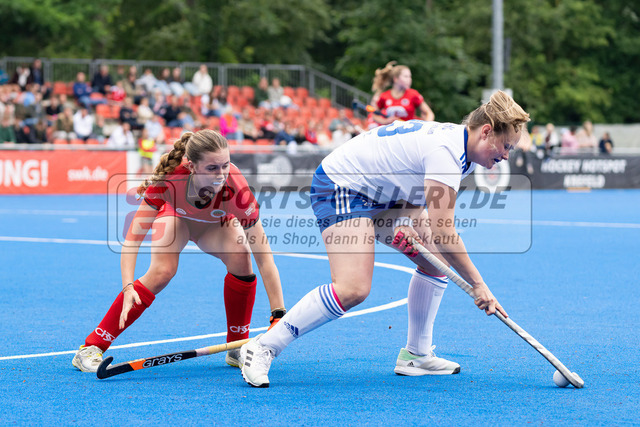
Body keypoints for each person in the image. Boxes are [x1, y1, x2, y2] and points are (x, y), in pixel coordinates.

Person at [239, 90, 529, 388]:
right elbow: (444, 232)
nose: (506, 155)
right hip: (342, 185)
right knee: (353, 288)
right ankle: (263, 347)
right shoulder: (447, 151)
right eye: (506, 146)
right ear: (486, 132)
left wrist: (403, 220)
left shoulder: (463, 150)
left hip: (380, 195)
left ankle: (416, 355)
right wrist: (478, 284)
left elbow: (412, 183)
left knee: (435, 261)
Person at [72, 129, 287, 372]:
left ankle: (236, 347)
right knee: (162, 271)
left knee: (242, 258)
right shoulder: (171, 178)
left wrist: (278, 314)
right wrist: (128, 286)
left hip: (215, 225)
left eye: (225, 165)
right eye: (212, 168)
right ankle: (92, 347)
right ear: (192, 166)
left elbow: (264, 259)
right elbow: (133, 239)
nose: (221, 175)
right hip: (176, 218)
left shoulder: (237, 190)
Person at [372, 61, 435, 125]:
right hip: (392, 131)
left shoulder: (413, 94)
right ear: (396, 79)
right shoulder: (384, 96)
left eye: (410, 77)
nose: (409, 79)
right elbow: (375, 115)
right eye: (406, 76)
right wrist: (385, 121)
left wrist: (426, 126)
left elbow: (429, 113)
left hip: (409, 130)